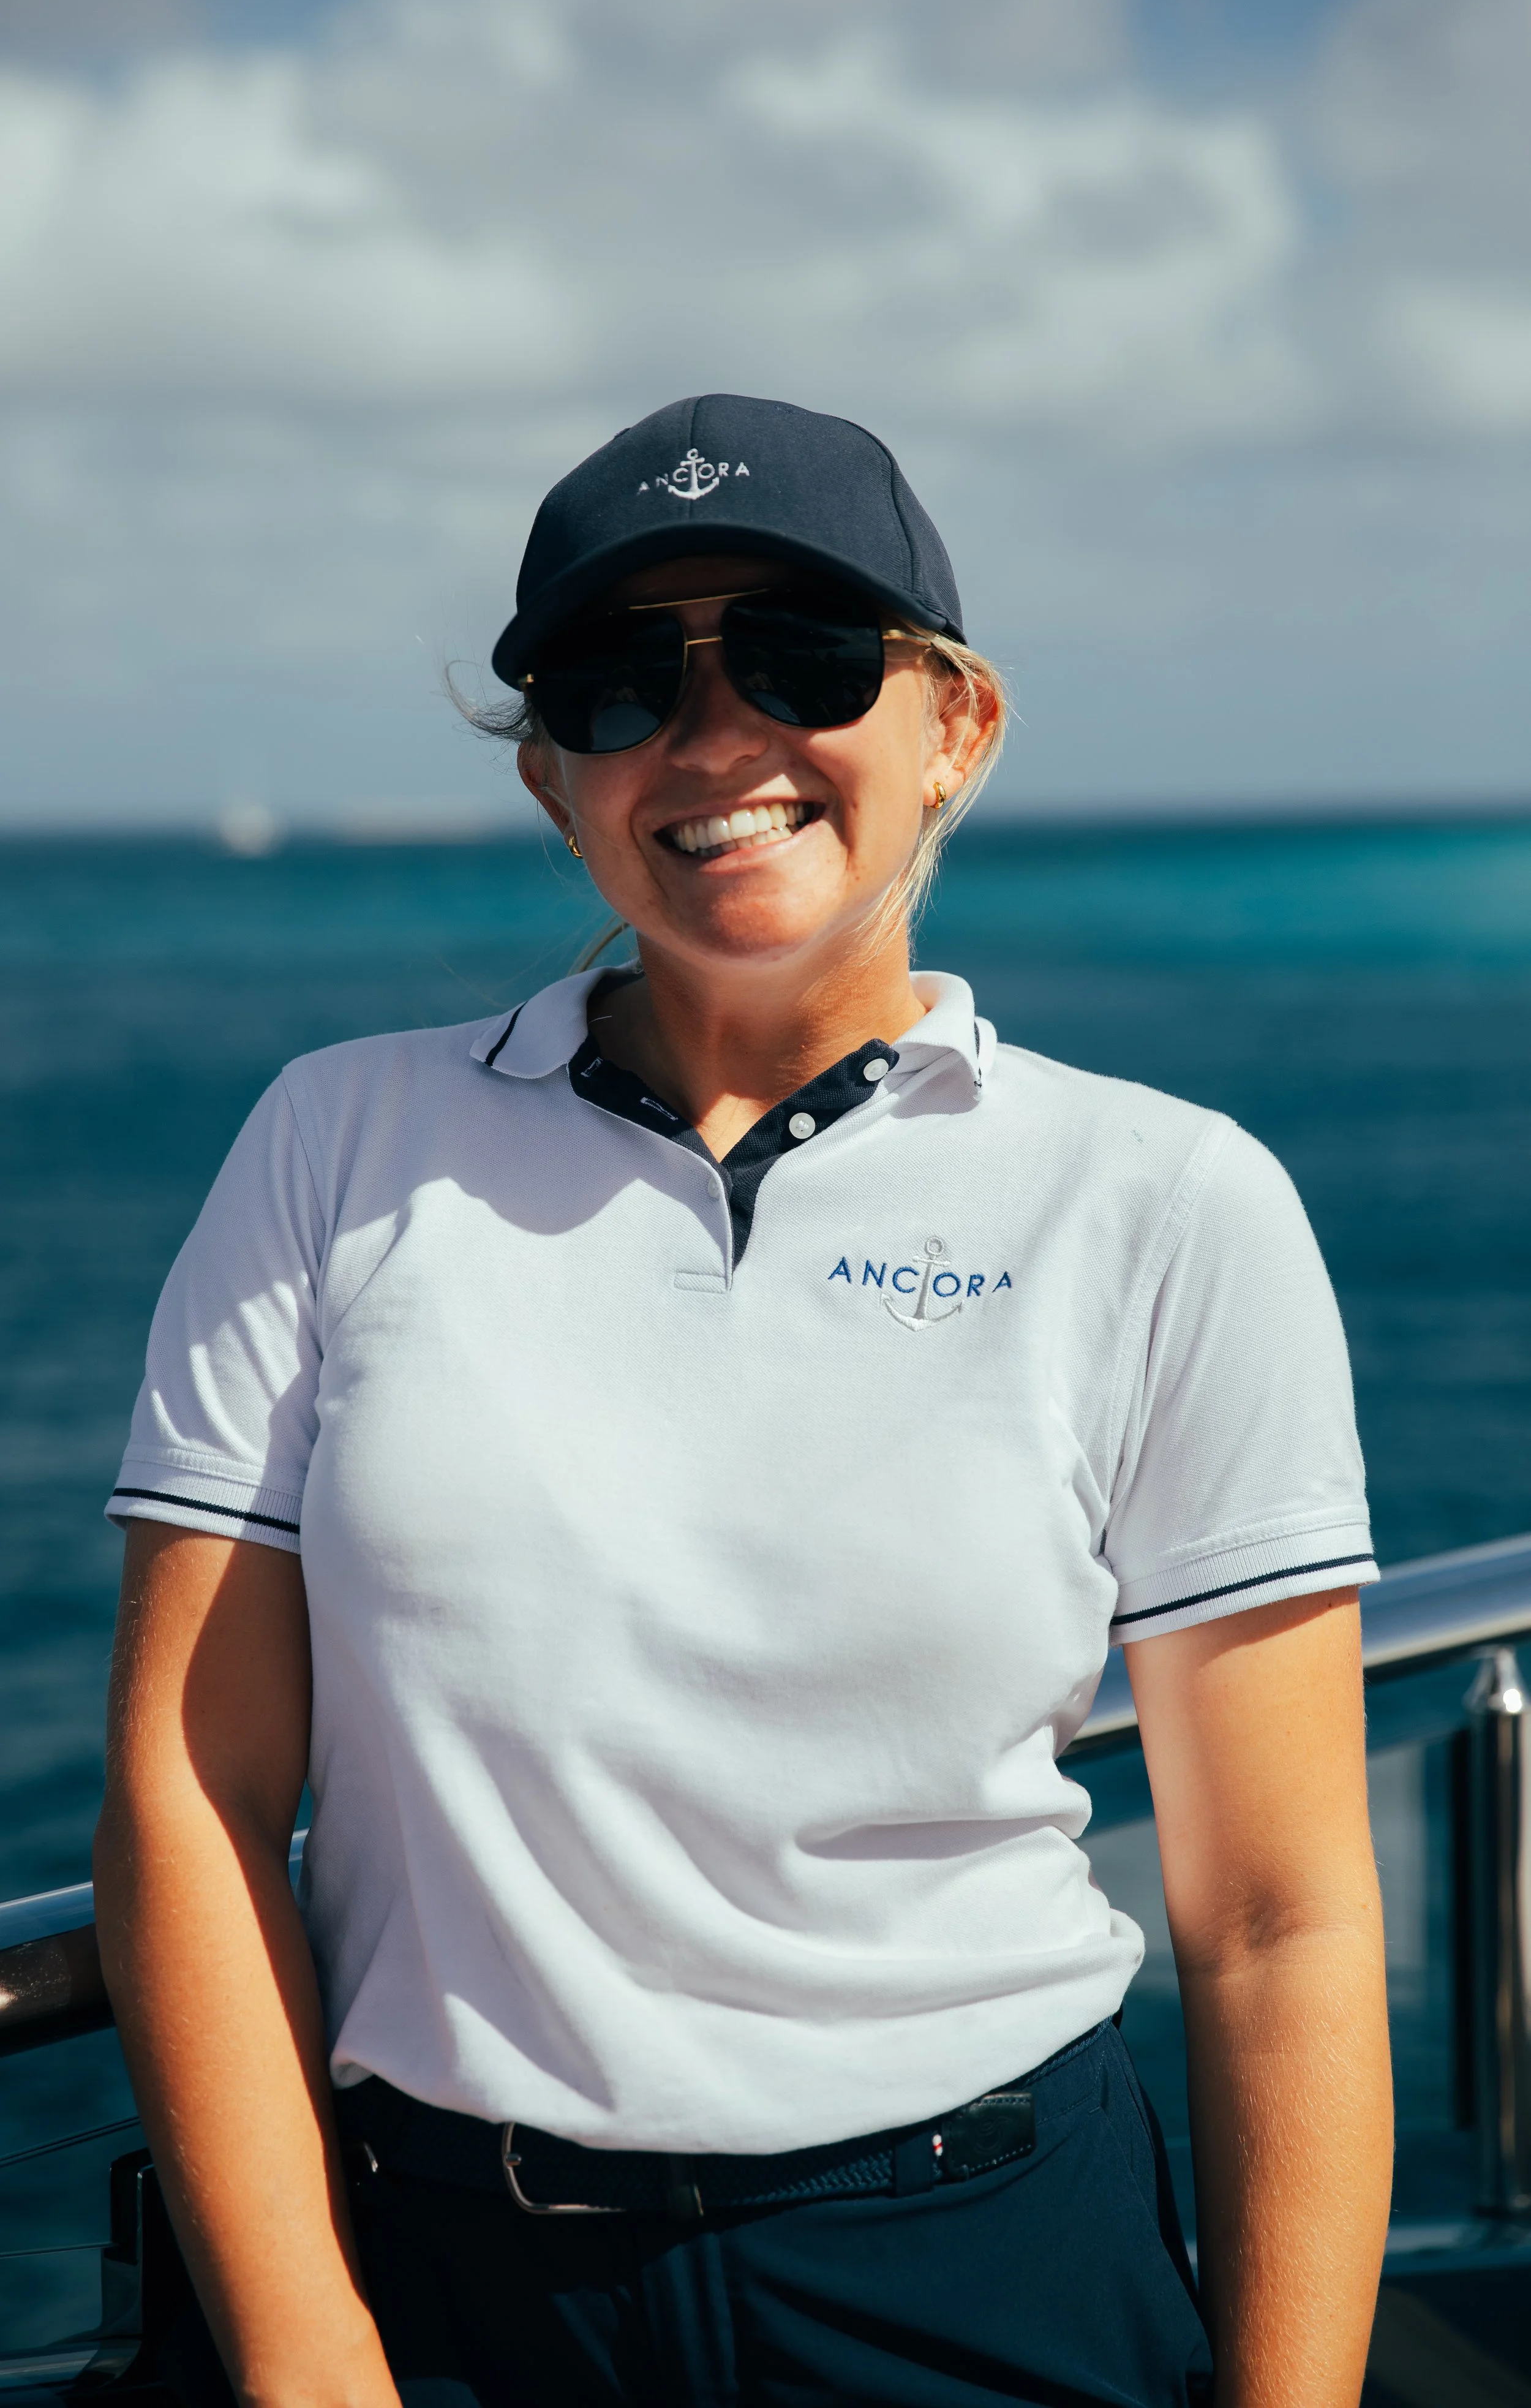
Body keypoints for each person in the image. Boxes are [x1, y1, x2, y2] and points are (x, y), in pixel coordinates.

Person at [95, 394, 1392, 2408]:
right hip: (436, 2282)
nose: (711, 743)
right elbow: (191, 1786)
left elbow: (1282, 1913)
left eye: (798, 659)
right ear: (553, 776)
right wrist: (307, 2353)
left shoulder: (1162, 1199)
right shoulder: (338, 1141)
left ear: (953, 722)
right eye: (624, 683)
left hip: (978, 2265)